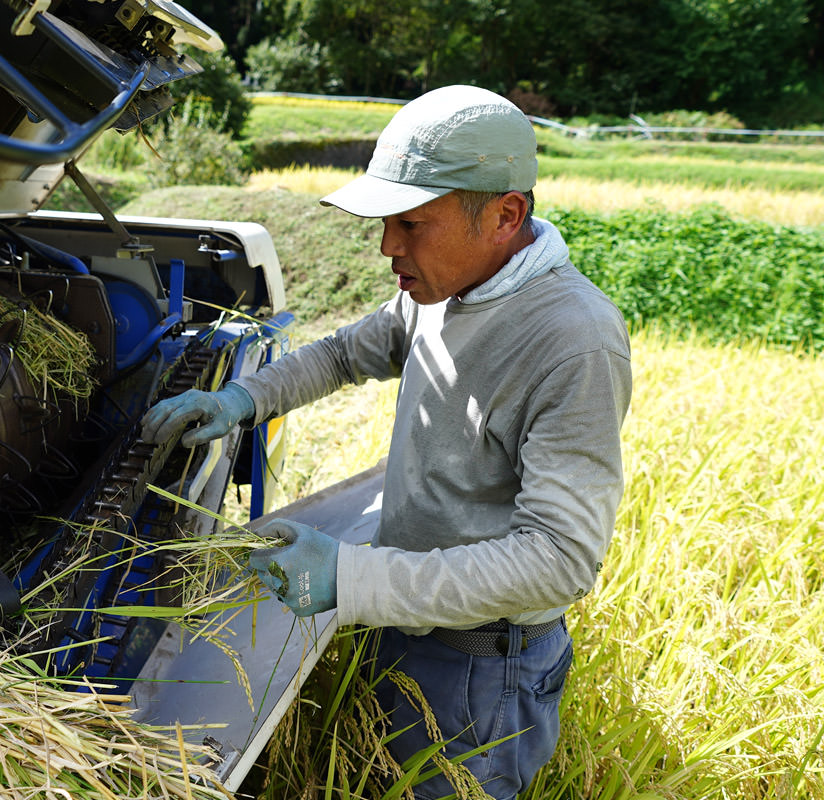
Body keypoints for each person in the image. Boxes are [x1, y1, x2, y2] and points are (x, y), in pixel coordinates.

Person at [140, 85, 632, 800]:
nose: (386, 247)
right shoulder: (438, 289)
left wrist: (350, 579)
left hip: (479, 676)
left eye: (410, 224)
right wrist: (242, 399)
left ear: (505, 215)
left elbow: (559, 561)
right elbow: (344, 353)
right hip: (402, 621)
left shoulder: (571, 340)